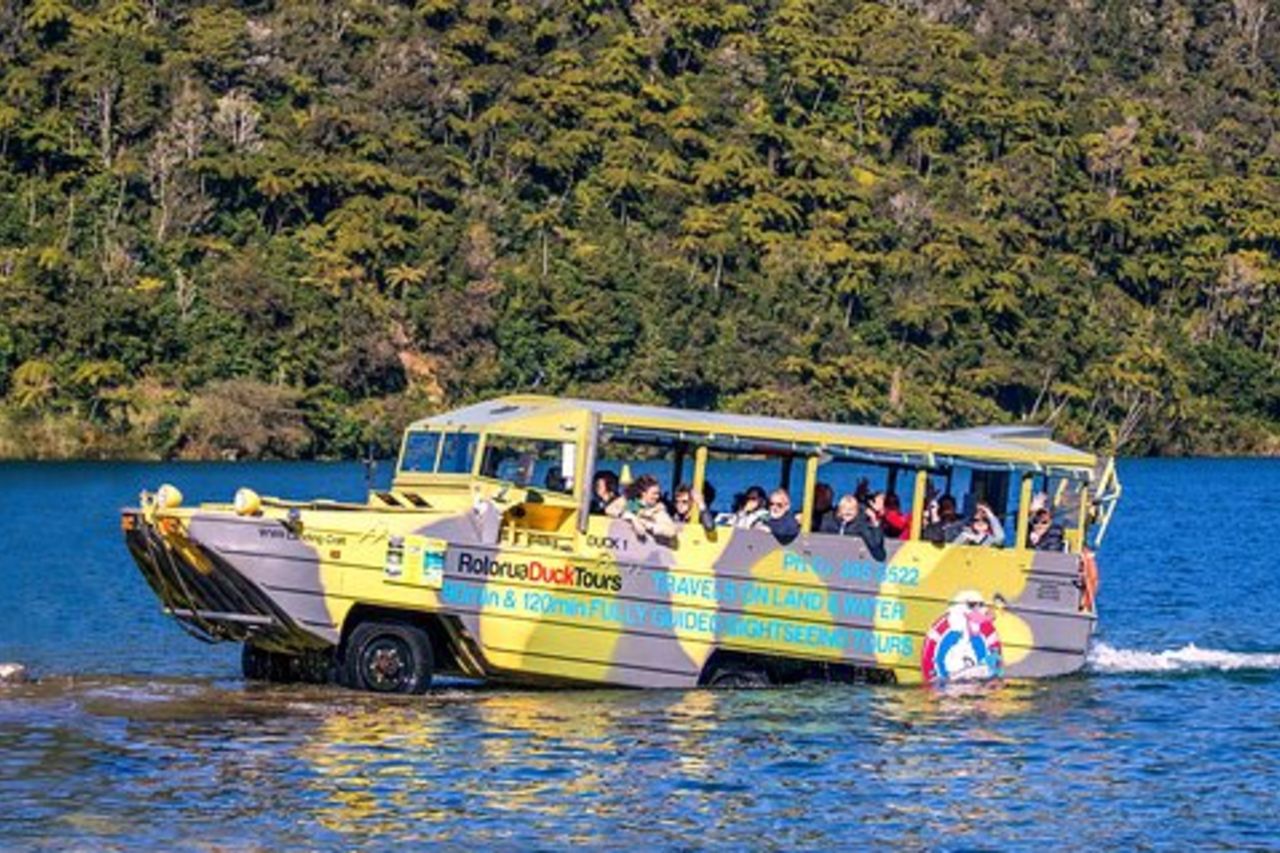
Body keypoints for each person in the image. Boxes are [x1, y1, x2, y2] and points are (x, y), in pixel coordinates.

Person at [606, 473, 676, 540]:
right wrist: (630, 517)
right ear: (643, 493)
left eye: (658, 493)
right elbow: (609, 509)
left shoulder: (657, 510)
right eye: (654, 493)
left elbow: (671, 530)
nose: (657, 496)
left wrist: (648, 525)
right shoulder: (631, 502)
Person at [821, 494, 886, 561]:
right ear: (839, 510)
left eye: (852, 509)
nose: (848, 511)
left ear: (856, 511)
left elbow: (875, 545)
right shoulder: (829, 521)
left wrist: (874, 522)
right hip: (830, 559)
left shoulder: (861, 526)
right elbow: (820, 540)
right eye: (845, 508)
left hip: (851, 561)